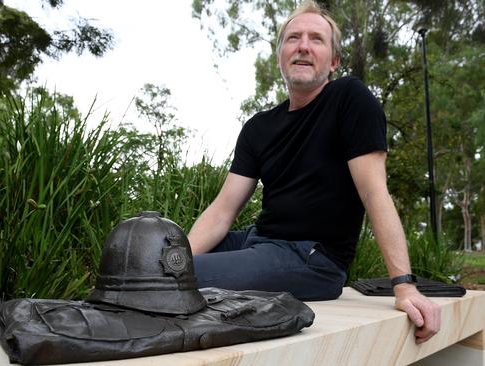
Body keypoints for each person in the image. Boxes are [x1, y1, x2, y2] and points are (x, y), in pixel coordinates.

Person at [187, 0, 441, 344]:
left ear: (333, 61)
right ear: (280, 56)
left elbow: (374, 192)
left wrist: (404, 285)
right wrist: (172, 257)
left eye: (316, 39)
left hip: (312, 258)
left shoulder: (349, 98)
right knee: (154, 255)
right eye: (293, 38)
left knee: (180, 277)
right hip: (258, 241)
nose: (303, 46)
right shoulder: (258, 127)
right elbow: (222, 211)